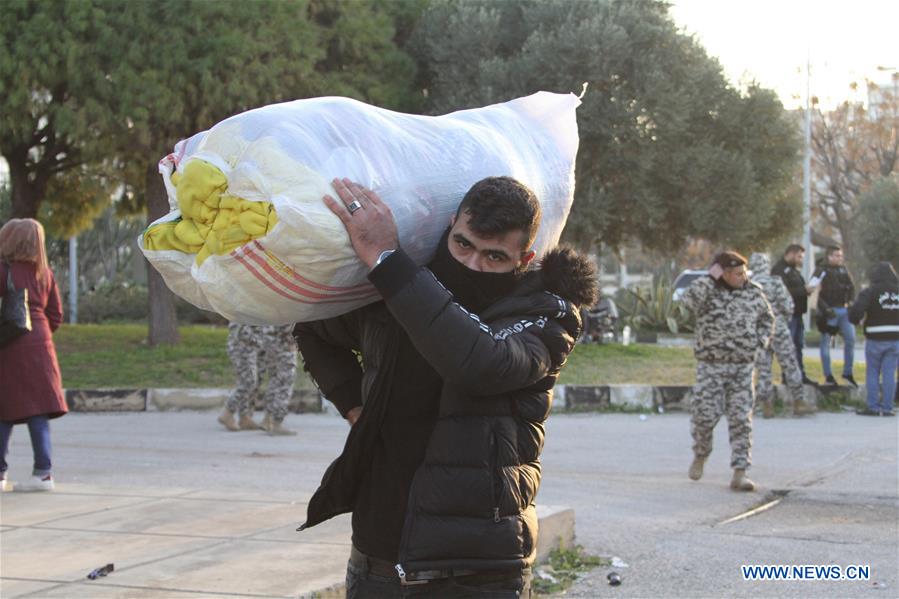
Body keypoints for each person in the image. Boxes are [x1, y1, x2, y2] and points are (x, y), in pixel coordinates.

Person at [294, 176, 596, 597]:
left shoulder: (547, 314)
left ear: (524, 258)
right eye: (463, 244)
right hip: (379, 555)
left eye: (495, 256)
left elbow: (479, 362)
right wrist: (354, 407)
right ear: (450, 225)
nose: (473, 265)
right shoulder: (399, 292)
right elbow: (312, 331)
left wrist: (387, 260)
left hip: (476, 569)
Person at [682, 251, 774, 492]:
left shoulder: (753, 291)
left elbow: (767, 319)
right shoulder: (707, 290)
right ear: (722, 273)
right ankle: (700, 454)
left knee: (741, 419)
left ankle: (740, 472)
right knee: (703, 416)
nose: (742, 277)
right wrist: (709, 278)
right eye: (736, 273)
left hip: (742, 367)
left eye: (744, 272)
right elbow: (686, 304)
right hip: (711, 366)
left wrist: (759, 342)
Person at [0, 218, 67, 492]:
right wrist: (40, 334)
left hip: (9, 346)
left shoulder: (3, 270)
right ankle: (44, 474)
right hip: (42, 346)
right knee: (38, 411)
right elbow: (56, 315)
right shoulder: (45, 272)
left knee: (3, 410)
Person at [748, 253, 813, 418]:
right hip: (778, 327)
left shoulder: (748, 286)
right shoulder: (775, 282)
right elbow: (788, 305)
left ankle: (767, 405)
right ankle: (798, 402)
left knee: (763, 368)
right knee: (790, 364)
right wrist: (783, 318)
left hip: (759, 331)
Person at [218, 323, 298, 436]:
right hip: (256, 344)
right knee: (277, 381)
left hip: (263, 342)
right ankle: (229, 412)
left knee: (270, 379)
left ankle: (252, 417)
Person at [849, 262, 899, 416]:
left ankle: (873, 407)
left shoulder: (870, 291)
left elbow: (856, 311)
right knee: (890, 373)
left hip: (875, 337)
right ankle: (887, 407)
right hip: (895, 337)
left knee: (873, 372)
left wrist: (856, 321)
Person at [771, 244, 818, 384]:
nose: (800, 260)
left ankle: (799, 375)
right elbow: (784, 292)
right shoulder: (779, 270)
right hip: (787, 316)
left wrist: (806, 291)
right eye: (799, 256)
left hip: (797, 314)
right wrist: (804, 290)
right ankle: (788, 376)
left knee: (798, 346)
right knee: (789, 347)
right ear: (790, 254)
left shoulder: (793, 271)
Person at [813, 245, 857, 387]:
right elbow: (813, 292)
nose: (840, 258)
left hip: (844, 311)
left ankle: (848, 372)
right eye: (837, 256)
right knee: (826, 343)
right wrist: (825, 309)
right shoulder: (821, 270)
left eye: (840, 255)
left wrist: (850, 303)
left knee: (851, 339)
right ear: (829, 256)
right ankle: (828, 375)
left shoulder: (843, 270)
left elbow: (852, 288)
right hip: (829, 312)